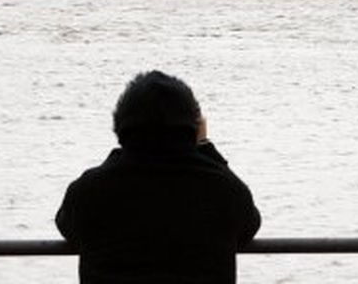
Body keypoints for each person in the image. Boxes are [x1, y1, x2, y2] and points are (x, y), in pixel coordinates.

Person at [56, 71, 261, 284]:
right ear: (194, 127)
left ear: (120, 124)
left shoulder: (89, 192)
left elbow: (67, 227)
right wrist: (205, 147)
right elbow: (249, 227)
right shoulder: (226, 191)